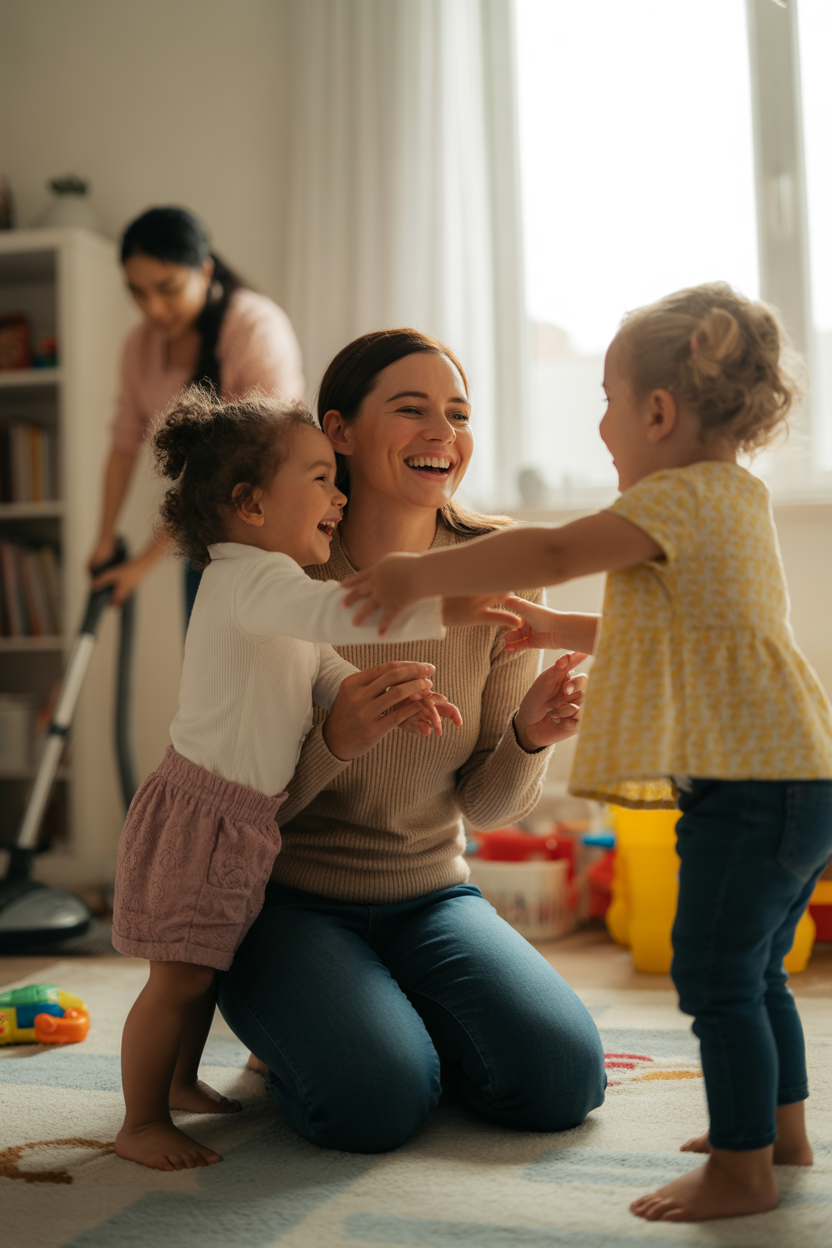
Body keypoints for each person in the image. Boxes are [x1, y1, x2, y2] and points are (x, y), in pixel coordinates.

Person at [342, 285, 832, 1221]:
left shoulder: (675, 495)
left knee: (716, 974)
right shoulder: (733, 498)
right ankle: (780, 1129)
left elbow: (560, 543)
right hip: (794, 779)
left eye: (606, 401)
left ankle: (742, 1167)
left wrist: (419, 574)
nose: (601, 422)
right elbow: (679, 625)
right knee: (759, 970)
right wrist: (547, 625)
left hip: (751, 789)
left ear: (658, 411)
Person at [217, 328, 607, 1156]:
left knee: (560, 1082)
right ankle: (319, 1025)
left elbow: (487, 809)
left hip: (432, 895)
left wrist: (530, 739)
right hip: (287, 903)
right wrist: (336, 739)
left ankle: (375, 1015)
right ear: (340, 433)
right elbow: (234, 804)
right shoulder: (283, 577)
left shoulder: (497, 569)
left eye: (458, 414)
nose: (444, 433)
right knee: (375, 1106)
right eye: (412, 409)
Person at [111, 386, 512, 1172]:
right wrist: (455, 605)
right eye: (322, 479)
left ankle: (184, 1079)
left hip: (243, 815)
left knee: (205, 960)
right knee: (180, 974)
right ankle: (140, 1119)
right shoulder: (251, 579)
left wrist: (391, 689)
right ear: (250, 504)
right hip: (206, 815)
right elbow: (346, 619)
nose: (339, 496)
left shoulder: (271, 587)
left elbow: (322, 662)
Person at [89, 206, 305, 620]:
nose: (152, 307)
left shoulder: (253, 328)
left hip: (268, 525)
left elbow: (237, 460)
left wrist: (140, 565)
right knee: (207, 668)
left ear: (204, 272)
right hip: (206, 534)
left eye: (167, 288)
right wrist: (104, 539)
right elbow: (123, 441)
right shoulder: (140, 347)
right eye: (137, 291)